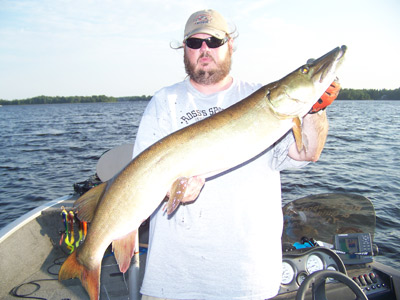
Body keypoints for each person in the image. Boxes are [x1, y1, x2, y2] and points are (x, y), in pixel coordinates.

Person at [133, 9, 340, 300]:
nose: (204, 50)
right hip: (174, 281)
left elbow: (307, 152)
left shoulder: (266, 101)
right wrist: (173, 190)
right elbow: (142, 181)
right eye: (194, 43)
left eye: (214, 41)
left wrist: (315, 110)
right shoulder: (164, 102)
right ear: (184, 50)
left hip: (247, 280)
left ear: (230, 45)